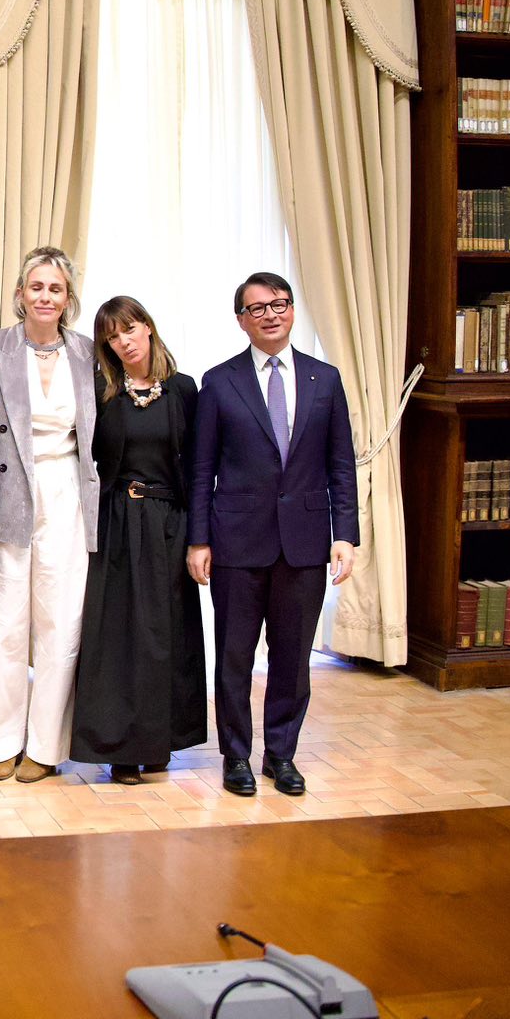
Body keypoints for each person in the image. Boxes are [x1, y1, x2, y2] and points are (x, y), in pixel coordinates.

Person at [188, 272, 358, 798]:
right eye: (257, 308)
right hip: (236, 542)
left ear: (292, 310)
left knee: (292, 658)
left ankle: (281, 755)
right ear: (241, 320)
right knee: (234, 657)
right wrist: (198, 539)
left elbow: (341, 464)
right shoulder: (219, 382)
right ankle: (236, 756)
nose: (270, 315)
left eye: (279, 304)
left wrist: (345, 535)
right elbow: (201, 468)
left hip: (305, 542)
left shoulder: (325, 379)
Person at [0, 245, 100, 784]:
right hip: (5, 491)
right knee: (2, 621)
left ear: (68, 299)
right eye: (36, 286)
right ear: (20, 293)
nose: (45, 296)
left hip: (68, 493)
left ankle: (45, 747)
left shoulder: (88, 352)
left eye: (56, 289)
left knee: (60, 621)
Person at [69, 296, 205, 785]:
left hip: (169, 522)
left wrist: (198, 537)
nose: (123, 342)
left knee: (165, 636)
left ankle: (158, 742)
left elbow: (199, 466)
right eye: (111, 337)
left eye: (129, 329)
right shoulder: (101, 392)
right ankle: (121, 750)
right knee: (117, 636)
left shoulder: (184, 390)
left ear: (147, 327)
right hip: (117, 521)